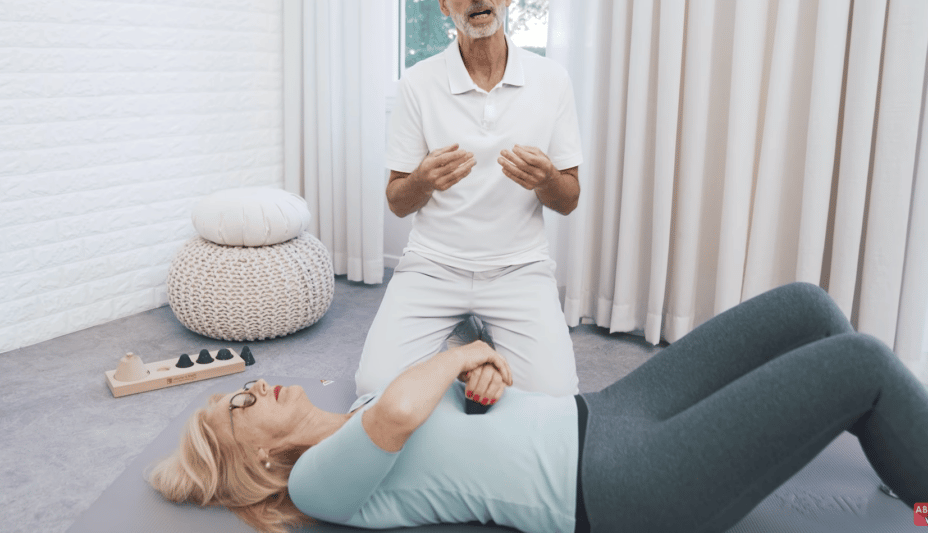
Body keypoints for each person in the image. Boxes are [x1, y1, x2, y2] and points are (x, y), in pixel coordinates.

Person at [150, 282, 928, 533]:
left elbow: (443, 413)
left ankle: (906, 457)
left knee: (806, 308)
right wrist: (464, 351)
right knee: (858, 363)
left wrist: (487, 379)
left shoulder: (360, 406)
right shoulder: (317, 482)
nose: (259, 385)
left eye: (243, 384)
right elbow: (397, 419)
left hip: (611, 410)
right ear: (254, 458)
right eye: (239, 404)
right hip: (623, 483)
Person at [356, 0, 584, 397]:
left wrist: (547, 178)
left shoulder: (552, 79)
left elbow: (568, 200)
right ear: (444, 6)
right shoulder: (417, 83)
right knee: (374, 389)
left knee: (555, 397)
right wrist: (423, 180)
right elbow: (397, 201)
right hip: (433, 266)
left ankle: (474, 338)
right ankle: (467, 346)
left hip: (519, 268)